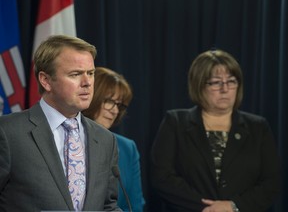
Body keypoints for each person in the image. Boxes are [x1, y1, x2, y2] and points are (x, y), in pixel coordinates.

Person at [0, 35, 121, 211]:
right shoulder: (8, 132)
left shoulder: (105, 139)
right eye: (76, 74)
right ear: (46, 80)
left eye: (91, 73)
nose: (87, 83)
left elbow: (107, 206)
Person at [150, 49, 281, 212]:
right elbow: (162, 178)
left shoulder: (258, 127)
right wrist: (207, 207)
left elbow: (271, 183)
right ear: (199, 85)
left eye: (231, 81)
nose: (225, 89)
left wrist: (233, 206)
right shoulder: (175, 123)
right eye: (216, 82)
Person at [82, 67, 145, 212]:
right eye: (110, 101)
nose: (115, 110)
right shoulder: (66, 139)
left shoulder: (127, 148)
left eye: (119, 104)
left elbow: (134, 205)